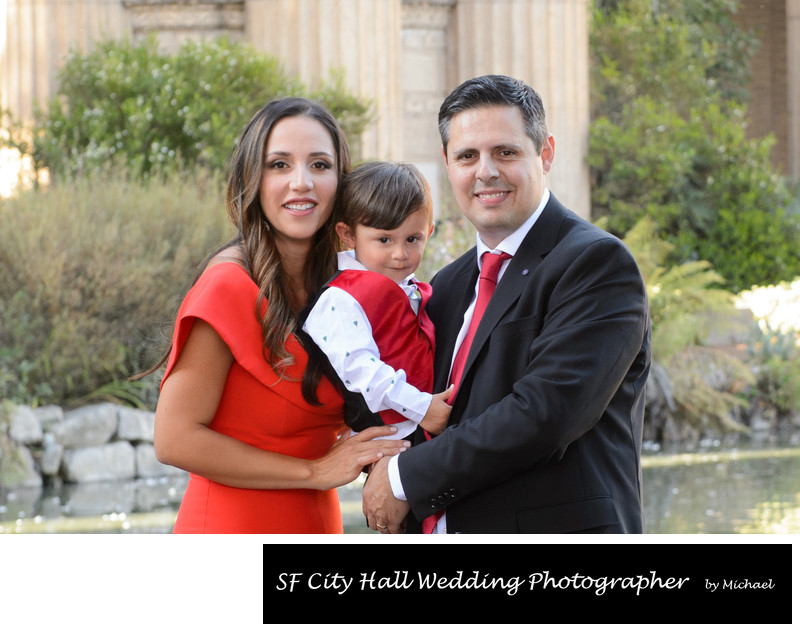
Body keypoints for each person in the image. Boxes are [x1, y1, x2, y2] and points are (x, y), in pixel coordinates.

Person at [362, 74, 652, 534]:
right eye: (467, 156)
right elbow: (420, 406)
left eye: (506, 152)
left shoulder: (596, 264)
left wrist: (402, 478)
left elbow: (544, 415)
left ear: (546, 154)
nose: (485, 172)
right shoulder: (450, 284)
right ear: (448, 165)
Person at [151, 97, 410, 534]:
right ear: (253, 178)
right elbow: (174, 439)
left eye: (320, 165)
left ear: (340, 181)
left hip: (316, 521)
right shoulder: (228, 287)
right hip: (231, 528)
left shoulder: (348, 287)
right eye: (280, 165)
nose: (301, 183)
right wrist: (315, 472)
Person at [300, 161, 453, 440]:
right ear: (348, 235)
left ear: (429, 233)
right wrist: (423, 408)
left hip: (427, 429)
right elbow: (360, 370)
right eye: (384, 240)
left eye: (412, 239)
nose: (400, 254)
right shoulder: (340, 298)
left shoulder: (415, 288)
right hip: (393, 438)